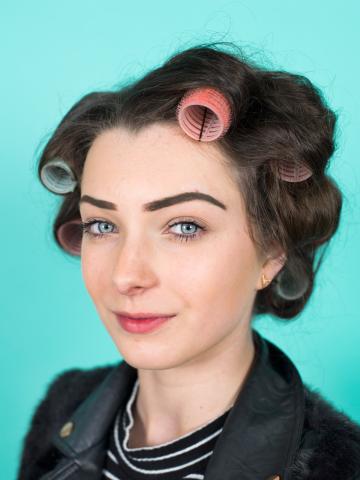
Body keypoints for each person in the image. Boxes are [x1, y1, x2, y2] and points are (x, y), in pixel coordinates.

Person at [17, 43, 360, 480]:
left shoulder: (337, 466)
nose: (126, 276)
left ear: (272, 252)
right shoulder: (61, 408)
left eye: (184, 227)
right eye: (102, 225)